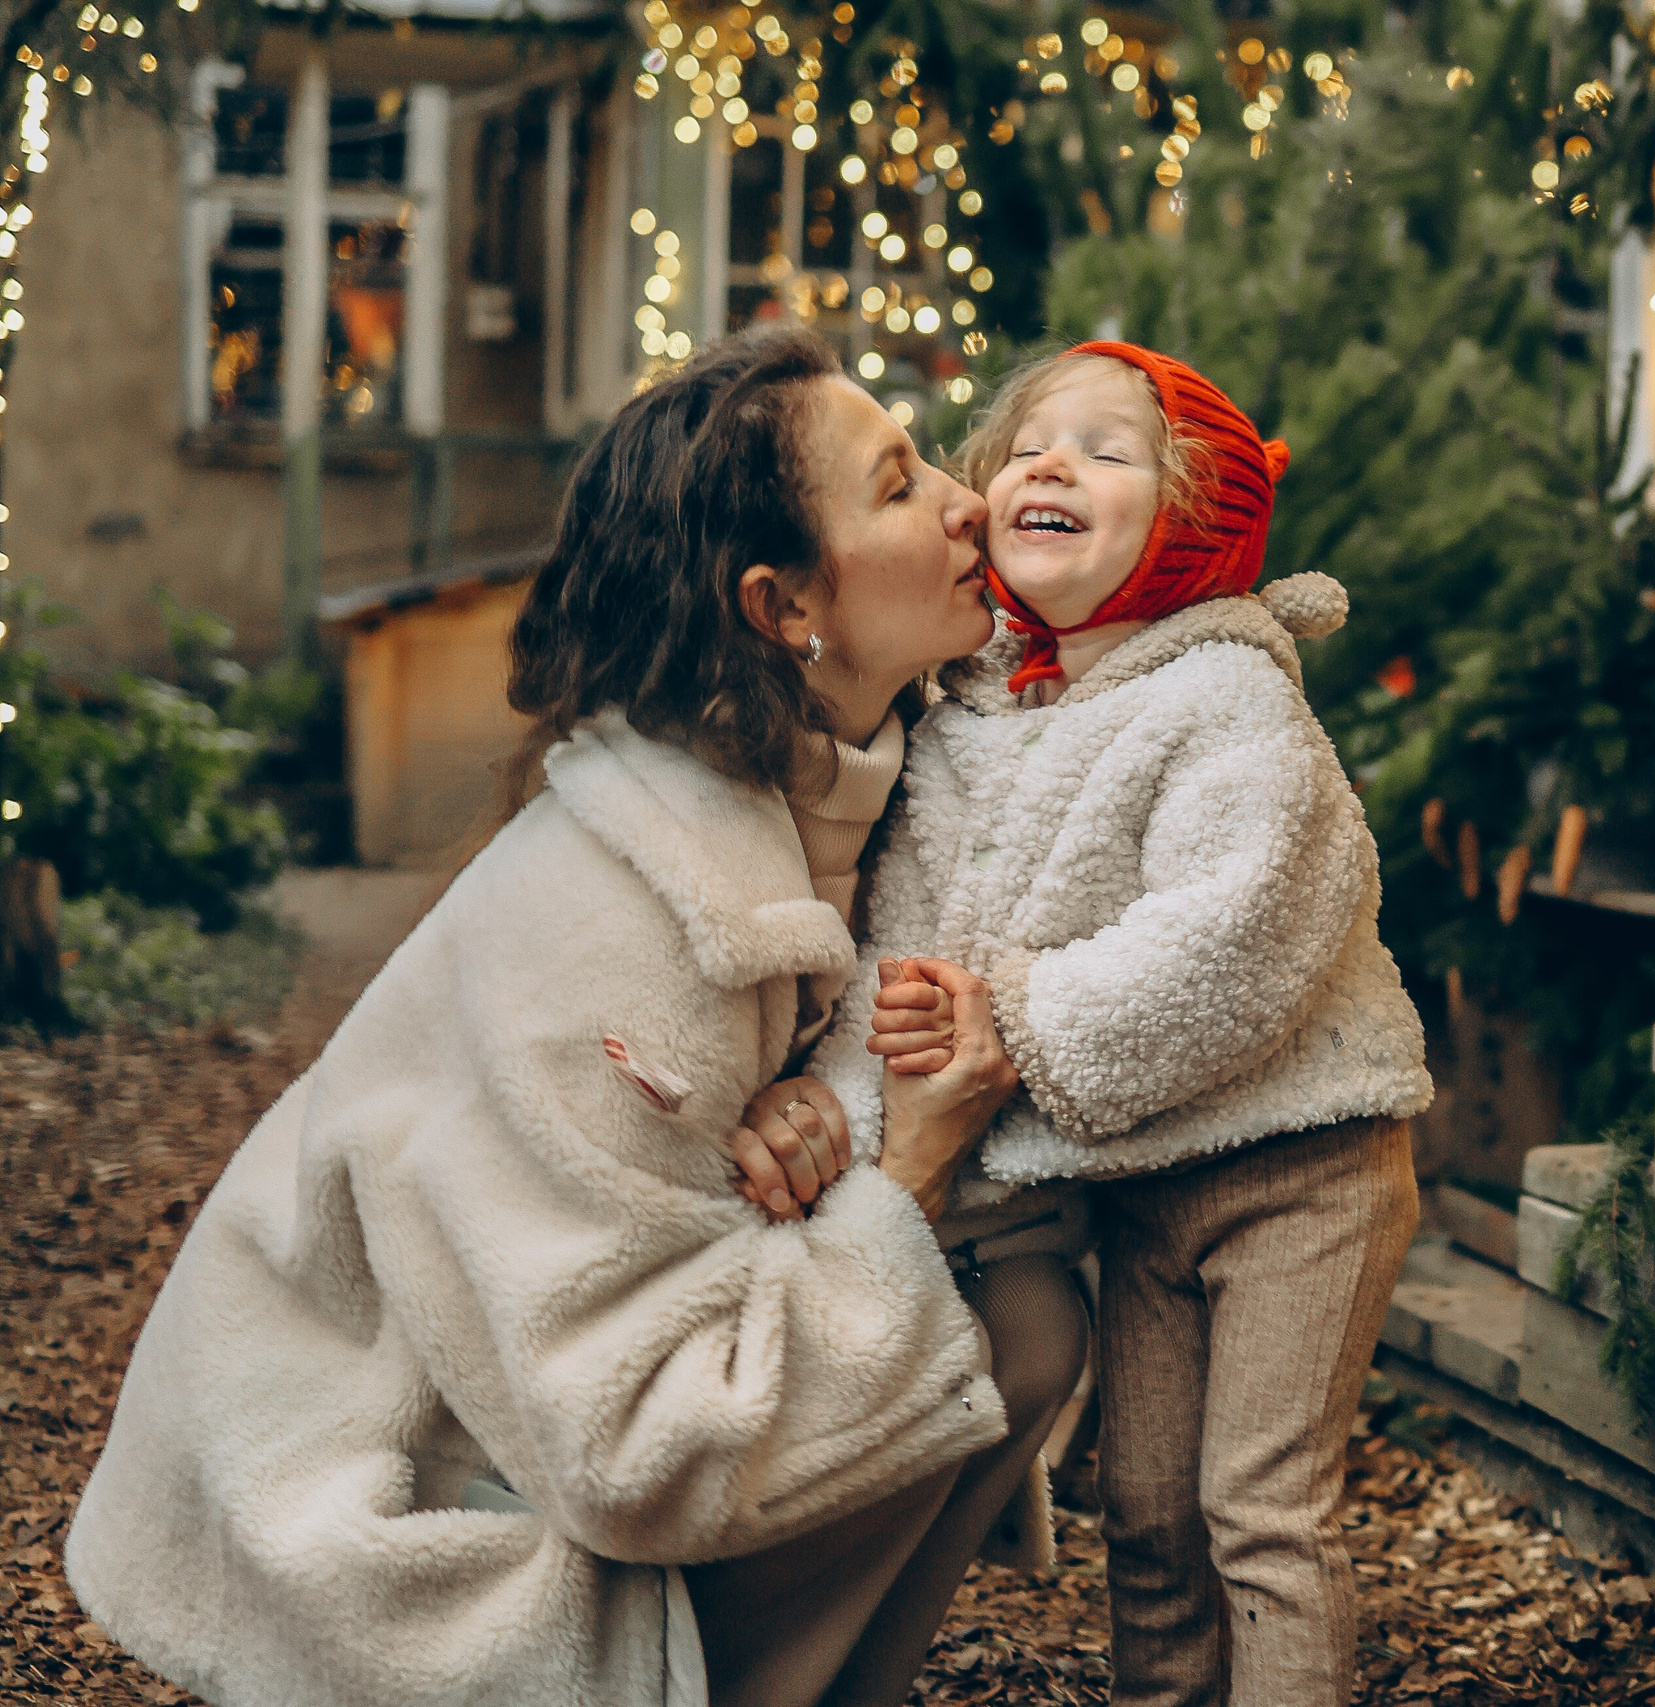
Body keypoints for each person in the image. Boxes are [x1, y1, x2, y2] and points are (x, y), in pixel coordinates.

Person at [64, 328, 1084, 1707]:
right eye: (899, 487)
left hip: (509, 1425)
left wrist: (818, 1111)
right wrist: (901, 1165)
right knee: (993, 1321)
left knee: (1021, 1321)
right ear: (784, 609)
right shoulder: (629, 918)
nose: (969, 501)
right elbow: (626, 1451)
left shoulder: (840, 794)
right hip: (368, 1502)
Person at [806, 342, 1434, 1707]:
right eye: (1030, 442)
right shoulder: (966, 721)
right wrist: (864, 1088)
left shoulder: (1229, 695)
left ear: (1191, 514)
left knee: (1259, 1512)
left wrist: (1020, 1016)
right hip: (1145, 1180)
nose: (1051, 463)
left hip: (1303, 1166)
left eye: (1105, 448)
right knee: (1145, 1511)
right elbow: (913, 940)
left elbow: (1244, 929)